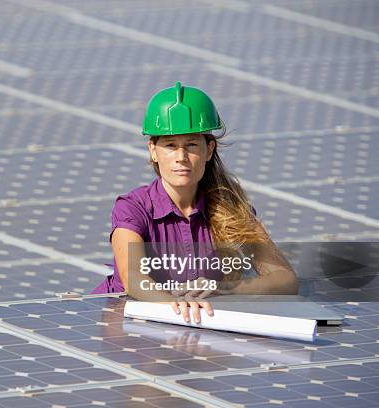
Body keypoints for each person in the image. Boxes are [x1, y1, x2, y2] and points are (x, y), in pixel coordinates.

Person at [92, 82, 299, 324]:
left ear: (209, 150)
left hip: (203, 326)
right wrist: (175, 306)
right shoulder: (132, 208)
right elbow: (134, 278)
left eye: (191, 145)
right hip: (133, 330)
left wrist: (225, 289)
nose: (181, 157)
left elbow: (285, 279)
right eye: (170, 145)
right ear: (153, 151)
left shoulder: (232, 210)